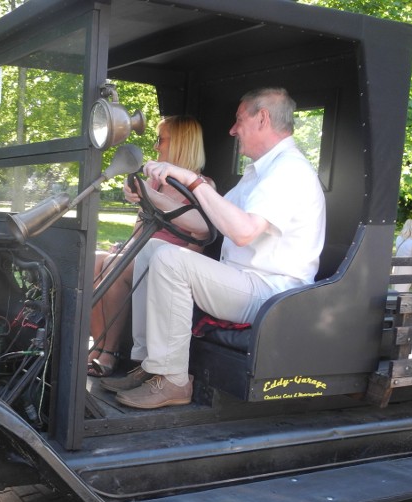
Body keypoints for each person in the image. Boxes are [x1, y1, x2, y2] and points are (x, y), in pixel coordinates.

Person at [103, 87, 326, 409]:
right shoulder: (259, 172)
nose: (233, 130)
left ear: (262, 118)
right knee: (151, 249)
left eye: (238, 120)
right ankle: (148, 364)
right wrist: (151, 196)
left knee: (170, 259)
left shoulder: (289, 170)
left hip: (275, 294)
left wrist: (192, 182)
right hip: (244, 281)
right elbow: (206, 223)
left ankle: (174, 380)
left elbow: (244, 232)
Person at [88, 115, 209, 377]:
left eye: (161, 140)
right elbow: (140, 229)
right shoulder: (155, 182)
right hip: (142, 252)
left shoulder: (203, 187)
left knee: (113, 266)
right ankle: (96, 346)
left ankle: (110, 352)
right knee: (94, 260)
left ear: (180, 143)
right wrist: (125, 246)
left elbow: (197, 243)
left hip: (170, 261)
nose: (156, 147)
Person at [391, 218, 412, 293]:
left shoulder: (399, 238)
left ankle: (393, 301)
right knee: (404, 286)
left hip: (397, 264)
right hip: (408, 266)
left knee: (395, 285)